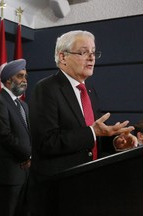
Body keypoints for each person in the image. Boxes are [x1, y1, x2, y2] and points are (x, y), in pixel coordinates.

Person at [28, 30, 137, 215]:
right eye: (83, 52)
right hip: (58, 191)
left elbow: (91, 138)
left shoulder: (90, 92)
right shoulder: (46, 89)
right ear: (63, 57)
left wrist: (114, 142)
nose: (91, 58)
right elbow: (47, 143)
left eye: (94, 53)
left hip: (87, 187)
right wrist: (92, 132)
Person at [0, 59, 32, 216]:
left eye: (25, 76)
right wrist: (28, 155)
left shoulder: (23, 105)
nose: (24, 81)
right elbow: (5, 136)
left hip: (26, 173)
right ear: (8, 80)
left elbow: (28, 134)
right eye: (20, 76)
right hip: (9, 174)